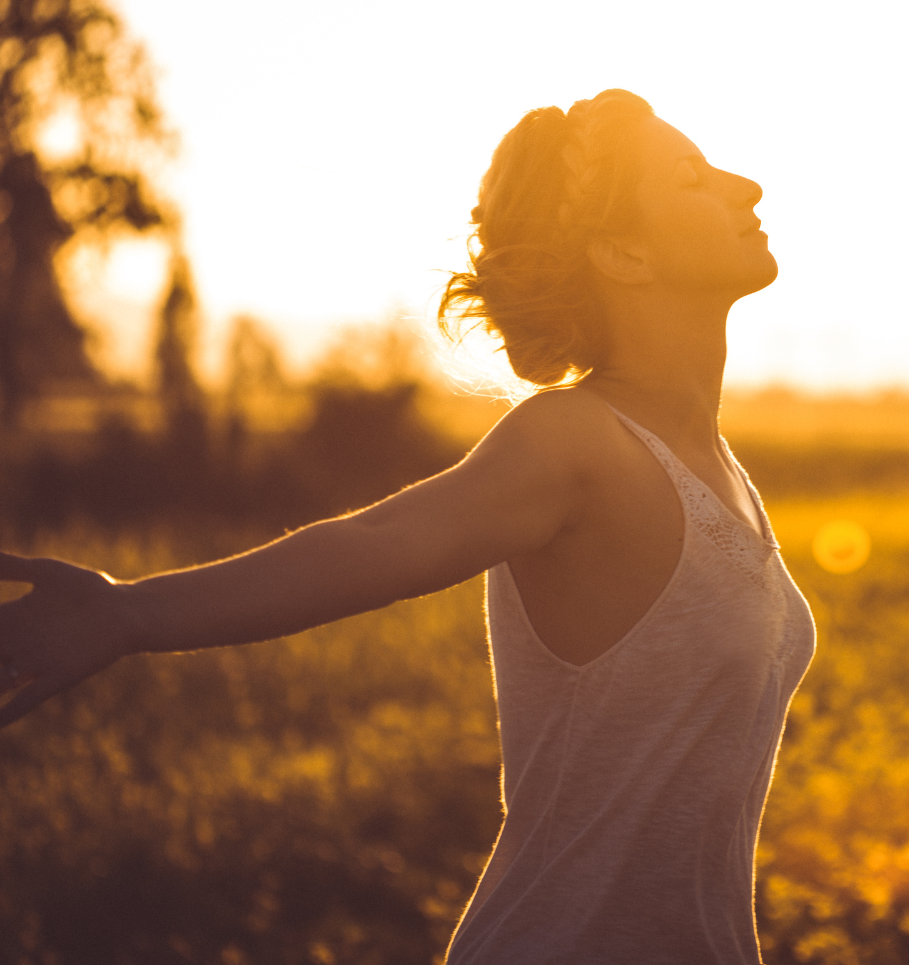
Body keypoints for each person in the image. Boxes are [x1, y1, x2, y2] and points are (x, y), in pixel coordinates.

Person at [0, 89, 816, 964]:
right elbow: (367, 546)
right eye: (694, 179)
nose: (748, 188)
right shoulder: (575, 443)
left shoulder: (719, 468)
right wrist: (127, 613)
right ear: (622, 251)